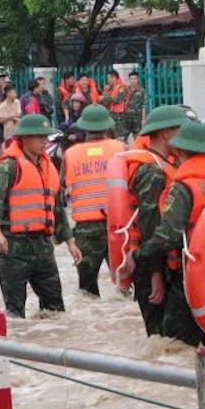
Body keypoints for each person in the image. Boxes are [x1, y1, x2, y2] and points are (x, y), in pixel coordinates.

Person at [135, 118, 205, 346]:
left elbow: (168, 234)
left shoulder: (184, 188)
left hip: (193, 276)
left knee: (174, 344)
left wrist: (140, 255)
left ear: (181, 149)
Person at [0, 114, 70, 317]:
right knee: (15, 312)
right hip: (13, 247)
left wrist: (70, 241)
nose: (44, 142)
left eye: (45, 137)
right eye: (38, 137)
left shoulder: (48, 166)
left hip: (42, 245)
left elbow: (56, 207)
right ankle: (18, 343)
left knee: (55, 309)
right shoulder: (8, 166)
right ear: (24, 138)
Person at [63, 105, 123, 297]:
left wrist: (62, 235)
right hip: (118, 228)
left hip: (85, 230)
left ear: (84, 127)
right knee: (125, 285)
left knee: (87, 289)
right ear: (107, 127)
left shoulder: (70, 155)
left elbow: (59, 195)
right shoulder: (121, 149)